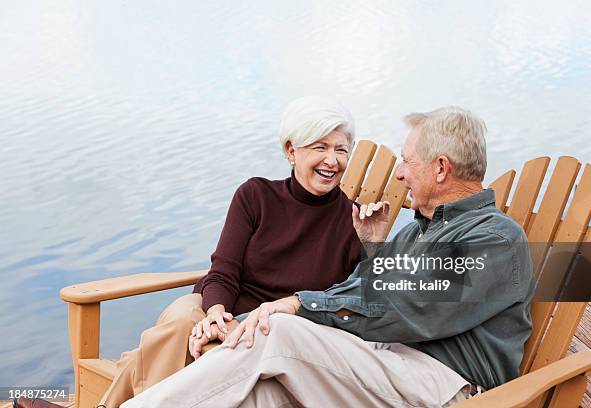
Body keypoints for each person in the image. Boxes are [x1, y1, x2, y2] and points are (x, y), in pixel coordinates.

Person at [121, 106, 535, 408]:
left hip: (448, 386)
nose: (400, 173)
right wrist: (234, 324)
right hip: (387, 363)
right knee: (263, 393)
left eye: (407, 162)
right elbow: (369, 292)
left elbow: (411, 308)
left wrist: (297, 304)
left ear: (441, 168)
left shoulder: (495, 240)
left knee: (280, 332)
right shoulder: (417, 231)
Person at [97, 96, 365, 408]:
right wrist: (216, 315)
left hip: (272, 329)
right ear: (292, 151)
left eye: (341, 149)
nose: (331, 160)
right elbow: (223, 270)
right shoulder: (256, 195)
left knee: (167, 340)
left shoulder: (355, 222)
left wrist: (372, 244)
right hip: (217, 306)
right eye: (320, 147)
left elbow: (359, 297)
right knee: (184, 320)